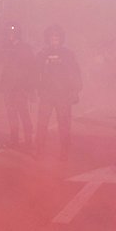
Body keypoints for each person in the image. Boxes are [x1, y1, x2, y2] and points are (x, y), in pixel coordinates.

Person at [34, 24, 81, 158]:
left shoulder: (67, 54)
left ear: (61, 39)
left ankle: (64, 151)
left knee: (64, 124)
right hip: (46, 95)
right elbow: (36, 73)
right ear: (47, 39)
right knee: (42, 123)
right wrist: (34, 89)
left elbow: (74, 73)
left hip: (63, 95)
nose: (54, 40)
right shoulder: (42, 54)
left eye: (56, 37)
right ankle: (39, 150)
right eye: (51, 37)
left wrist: (75, 91)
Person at [0, 21, 35, 147]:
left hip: (20, 87)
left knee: (23, 112)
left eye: (12, 32)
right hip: (8, 86)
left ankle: (28, 140)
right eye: (8, 32)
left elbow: (31, 69)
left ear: (18, 34)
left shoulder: (25, 48)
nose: (10, 35)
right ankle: (14, 139)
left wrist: (30, 88)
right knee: (11, 114)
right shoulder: (6, 48)